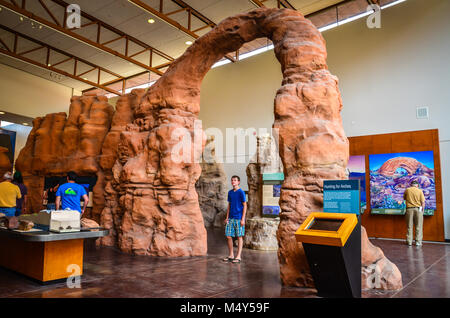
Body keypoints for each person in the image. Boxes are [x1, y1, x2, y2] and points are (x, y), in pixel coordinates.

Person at [222, 175, 247, 264]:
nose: (233, 182)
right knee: (228, 236)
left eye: (235, 180)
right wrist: (227, 217)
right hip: (231, 218)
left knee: (239, 236)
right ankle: (231, 255)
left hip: (239, 218)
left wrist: (243, 219)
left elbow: (245, 205)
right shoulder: (230, 192)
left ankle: (238, 256)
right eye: (232, 180)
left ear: (238, 182)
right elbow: (229, 205)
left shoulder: (241, 192)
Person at [403, 180, 425, 247]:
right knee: (418, 226)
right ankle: (418, 242)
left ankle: (409, 241)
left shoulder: (407, 190)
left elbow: (404, 198)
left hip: (409, 209)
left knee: (409, 226)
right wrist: (422, 210)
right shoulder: (420, 191)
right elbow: (423, 202)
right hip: (418, 209)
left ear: (411, 185)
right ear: (417, 185)